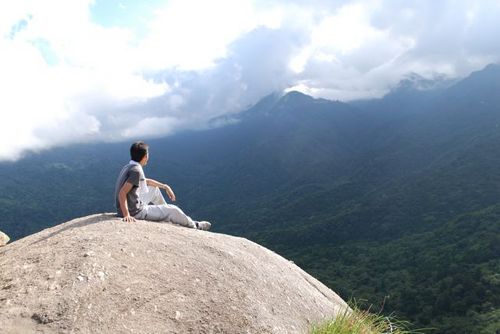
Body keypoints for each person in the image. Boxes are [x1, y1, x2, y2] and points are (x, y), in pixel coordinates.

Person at [114, 141, 211, 230]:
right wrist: (127, 215)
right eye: (148, 154)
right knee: (174, 209)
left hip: (130, 206)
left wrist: (165, 186)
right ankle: (195, 225)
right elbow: (122, 192)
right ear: (145, 157)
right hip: (135, 212)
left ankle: (164, 212)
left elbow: (146, 182)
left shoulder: (129, 166)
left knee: (154, 189)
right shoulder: (136, 171)